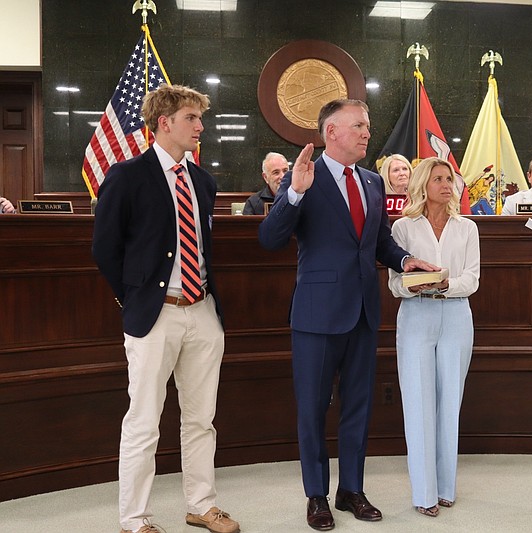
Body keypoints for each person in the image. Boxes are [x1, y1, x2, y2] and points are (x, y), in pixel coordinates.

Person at [258, 99, 437, 531]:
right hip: (317, 316)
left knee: (358, 406)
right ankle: (316, 495)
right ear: (330, 132)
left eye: (367, 126)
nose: (366, 133)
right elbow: (270, 238)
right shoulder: (305, 177)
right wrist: (295, 192)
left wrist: (405, 260)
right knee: (313, 409)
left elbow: (379, 243)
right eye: (358, 126)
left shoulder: (374, 182)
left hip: (363, 313)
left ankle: (351, 489)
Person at [92, 84, 240, 533]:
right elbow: (105, 248)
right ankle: (135, 519)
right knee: (144, 421)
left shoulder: (203, 181)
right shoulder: (127, 175)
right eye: (192, 118)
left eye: (200, 118)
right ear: (165, 123)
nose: (200, 127)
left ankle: (201, 505)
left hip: (202, 312)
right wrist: (134, 296)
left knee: (201, 420)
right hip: (154, 315)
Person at [387, 157, 480, 518]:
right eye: (438, 178)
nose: (447, 184)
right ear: (423, 184)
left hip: (457, 316)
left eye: (450, 179)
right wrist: (416, 286)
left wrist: (445, 284)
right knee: (419, 402)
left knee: (449, 402)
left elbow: (472, 279)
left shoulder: (467, 228)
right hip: (416, 316)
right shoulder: (403, 228)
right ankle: (423, 493)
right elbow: (395, 283)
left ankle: (446, 488)